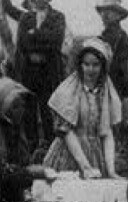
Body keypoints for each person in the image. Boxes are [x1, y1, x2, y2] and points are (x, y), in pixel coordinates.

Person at [43, 37, 122, 178]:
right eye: (86, 64)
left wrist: (111, 171)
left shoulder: (105, 91)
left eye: (96, 65)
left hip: (95, 154)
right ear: (80, 65)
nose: (90, 69)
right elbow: (67, 132)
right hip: (70, 153)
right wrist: (85, 167)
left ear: (103, 67)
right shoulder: (70, 90)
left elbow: (106, 133)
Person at [5, 0, 67, 148]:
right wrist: (41, 38)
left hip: (49, 71)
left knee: (49, 109)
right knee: (29, 110)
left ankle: (51, 146)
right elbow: (23, 43)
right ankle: (32, 146)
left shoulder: (58, 17)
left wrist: (34, 34)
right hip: (29, 71)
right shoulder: (26, 18)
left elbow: (56, 41)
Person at [95, 0, 128, 120]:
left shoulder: (120, 37)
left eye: (110, 11)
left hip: (116, 89)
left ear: (118, 15)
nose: (105, 14)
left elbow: (118, 68)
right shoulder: (104, 36)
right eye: (103, 11)